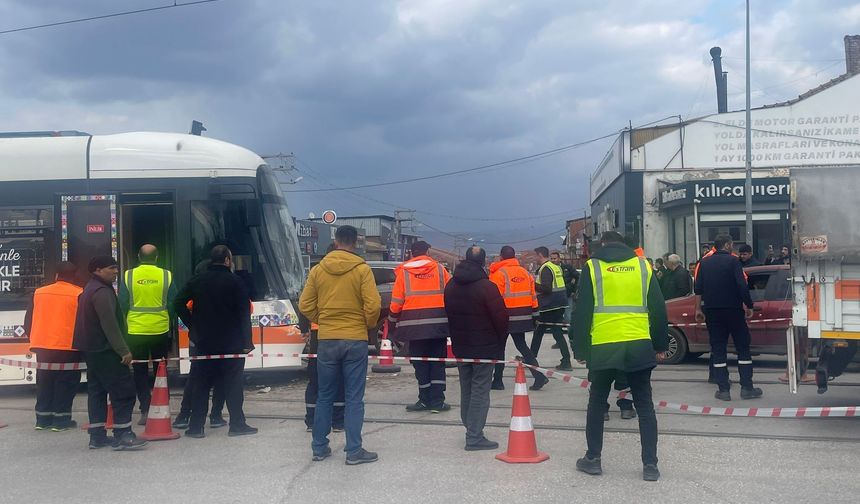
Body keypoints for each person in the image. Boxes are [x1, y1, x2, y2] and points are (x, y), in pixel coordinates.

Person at [570, 231, 668, 481]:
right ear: (625, 245)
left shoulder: (592, 267)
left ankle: (593, 459)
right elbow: (657, 307)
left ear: (602, 245)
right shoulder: (643, 266)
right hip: (638, 343)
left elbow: (582, 311)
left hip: (604, 345)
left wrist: (580, 348)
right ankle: (650, 466)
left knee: (596, 403)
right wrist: (659, 344)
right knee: (645, 405)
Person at [299, 225, 381, 465]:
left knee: (324, 394)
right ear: (355, 243)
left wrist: (322, 319)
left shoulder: (318, 270)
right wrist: (365, 323)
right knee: (354, 397)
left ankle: (319, 448)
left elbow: (305, 304)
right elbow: (373, 306)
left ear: (335, 241)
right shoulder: (362, 269)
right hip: (355, 339)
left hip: (326, 339)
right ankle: (354, 451)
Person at [174, 245, 258, 438]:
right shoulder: (236, 282)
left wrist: (192, 324)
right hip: (232, 343)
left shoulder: (198, 280)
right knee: (233, 384)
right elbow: (243, 313)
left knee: (201, 384)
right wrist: (247, 342)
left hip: (204, 341)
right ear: (228, 261)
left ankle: (196, 427)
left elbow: (177, 302)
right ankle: (237, 424)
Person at [72, 256, 147, 451]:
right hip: (106, 351)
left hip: (92, 350)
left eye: (116, 268)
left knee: (97, 392)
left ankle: (97, 437)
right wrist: (123, 350)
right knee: (123, 392)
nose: (116, 271)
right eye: (111, 268)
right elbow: (110, 325)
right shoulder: (102, 292)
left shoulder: (89, 289)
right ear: (97, 270)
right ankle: (123, 435)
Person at [445, 246, 508, 451]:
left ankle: (470, 428)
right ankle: (474, 436)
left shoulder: (451, 285)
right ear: (483, 262)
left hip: (461, 346)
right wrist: (499, 344)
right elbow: (501, 319)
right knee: (481, 390)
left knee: (467, 389)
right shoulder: (487, 287)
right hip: (485, 348)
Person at [694, 234, 763, 401]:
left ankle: (723, 390)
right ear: (726, 245)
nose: (733, 247)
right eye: (731, 244)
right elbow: (741, 285)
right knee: (743, 348)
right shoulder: (733, 261)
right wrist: (749, 305)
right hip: (733, 311)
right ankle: (747, 388)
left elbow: (698, 289)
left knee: (718, 350)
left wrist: (698, 309)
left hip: (712, 312)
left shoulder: (704, 262)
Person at [388, 241, 452, 413]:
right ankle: (437, 402)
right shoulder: (440, 270)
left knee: (420, 363)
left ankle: (424, 400)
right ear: (427, 251)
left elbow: (396, 302)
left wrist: (392, 321)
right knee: (437, 363)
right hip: (437, 325)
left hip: (414, 327)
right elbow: (451, 293)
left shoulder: (404, 272)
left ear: (411, 252)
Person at [118, 244, 177, 426]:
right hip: (160, 330)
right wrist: (170, 324)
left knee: (140, 371)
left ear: (138, 256)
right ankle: (162, 407)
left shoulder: (128, 276)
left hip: (135, 331)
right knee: (161, 369)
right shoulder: (166, 276)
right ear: (157, 257)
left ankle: (144, 409)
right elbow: (174, 303)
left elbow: (122, 305)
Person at [24, 261, 83, 432]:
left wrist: (34, 338)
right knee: (66, 383)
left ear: (56, 275)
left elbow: (29, 320)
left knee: (44, 382)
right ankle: (61, 420)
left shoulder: (39, 293)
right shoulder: (79, 293)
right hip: (68, 347)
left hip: (42, 345)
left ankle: (42, 420)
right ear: (74, 276)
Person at [489, 246, 549, 391]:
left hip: (504, 318)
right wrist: (535, 315)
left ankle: (497, 381)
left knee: (499, 349)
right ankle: (539, 376)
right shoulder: (525, 273)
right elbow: (533, 296)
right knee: (522, 346)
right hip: (522, 316)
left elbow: (494, 300)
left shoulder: (498, 274)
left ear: (501, 257)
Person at [530, 246, 572, 371]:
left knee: (542, 331)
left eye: (535, 256)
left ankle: (531, 359)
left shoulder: (546, 268)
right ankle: (565, 361)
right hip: (558, 304)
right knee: (554, 332)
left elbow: (547, 289)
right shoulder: (555, 266)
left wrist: (533, 283)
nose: (535, 258)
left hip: (549, 306)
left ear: (540, 255)